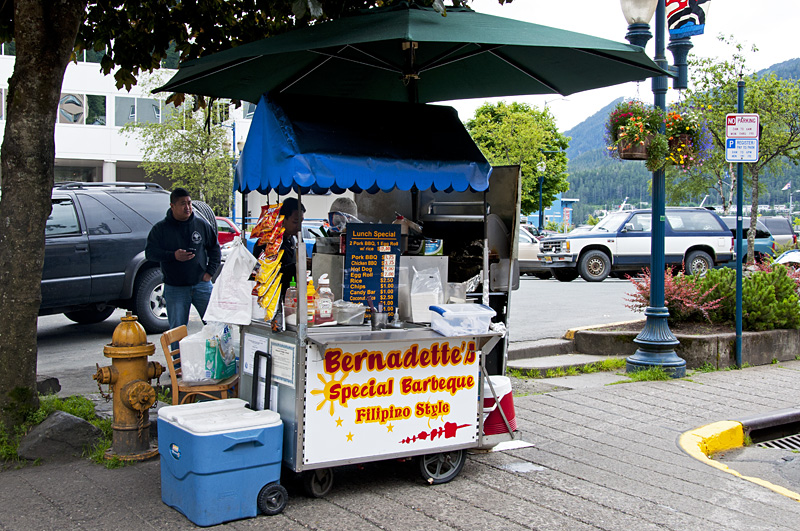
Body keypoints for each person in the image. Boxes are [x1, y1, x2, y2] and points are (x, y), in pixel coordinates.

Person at [145, 188, 221, 330]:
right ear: (172, 206)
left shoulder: (201, 225)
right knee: (178, 331)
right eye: (182, 204)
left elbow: (215, 249)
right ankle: (177, 353)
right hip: (175, 288)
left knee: (215, 326)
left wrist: (210, 272)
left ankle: (216, 353)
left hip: (201, 285)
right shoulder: (161, 229)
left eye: (189, 203)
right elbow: (150, 253)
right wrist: (173, 256)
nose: (187, 207)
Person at [252, 197, 305, 302]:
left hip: (292, 296)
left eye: (301, 222)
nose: (299, 226)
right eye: (295, 222)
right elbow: (264, 274)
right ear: (283, 219)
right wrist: (295, 267)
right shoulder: (267, 242)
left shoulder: (295, 239)